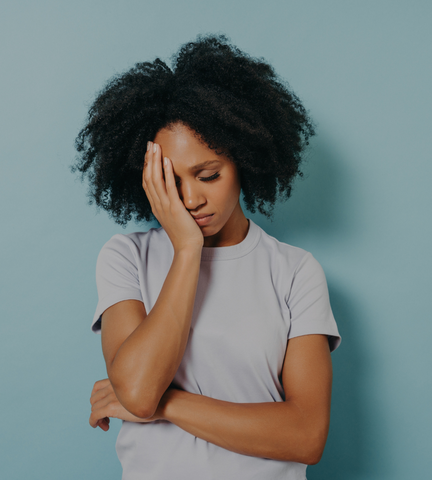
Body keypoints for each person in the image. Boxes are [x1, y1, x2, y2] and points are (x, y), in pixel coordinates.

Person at [72, 34, 341, 480]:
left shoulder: (295, 271)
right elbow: (137, 393)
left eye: (209, 174)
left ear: (244, 160)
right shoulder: (126, 258)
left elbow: (306, 436)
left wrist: (168, 405)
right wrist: (187, 249)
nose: (192, 198)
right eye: (172, 182)